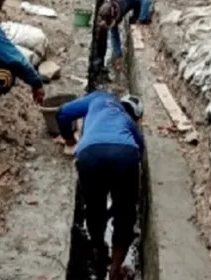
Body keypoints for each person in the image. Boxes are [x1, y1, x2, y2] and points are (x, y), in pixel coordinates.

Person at [56, 92, 145, 280]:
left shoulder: (99, 98)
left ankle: (98, 250)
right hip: (124, 155)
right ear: (136, 116)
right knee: (125, 214)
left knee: (94, 208)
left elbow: (62, 114)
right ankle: (115, 268)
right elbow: (140, 148)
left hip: (89, 153)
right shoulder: (127, 120)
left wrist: (70, 141)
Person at [97, 0, 153, 69]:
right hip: (131, 2)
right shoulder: (109, 11)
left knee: (144, 15)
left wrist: (140, 20)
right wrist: (118, 56)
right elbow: (114, 34)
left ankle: (141, 17)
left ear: (116, 12)